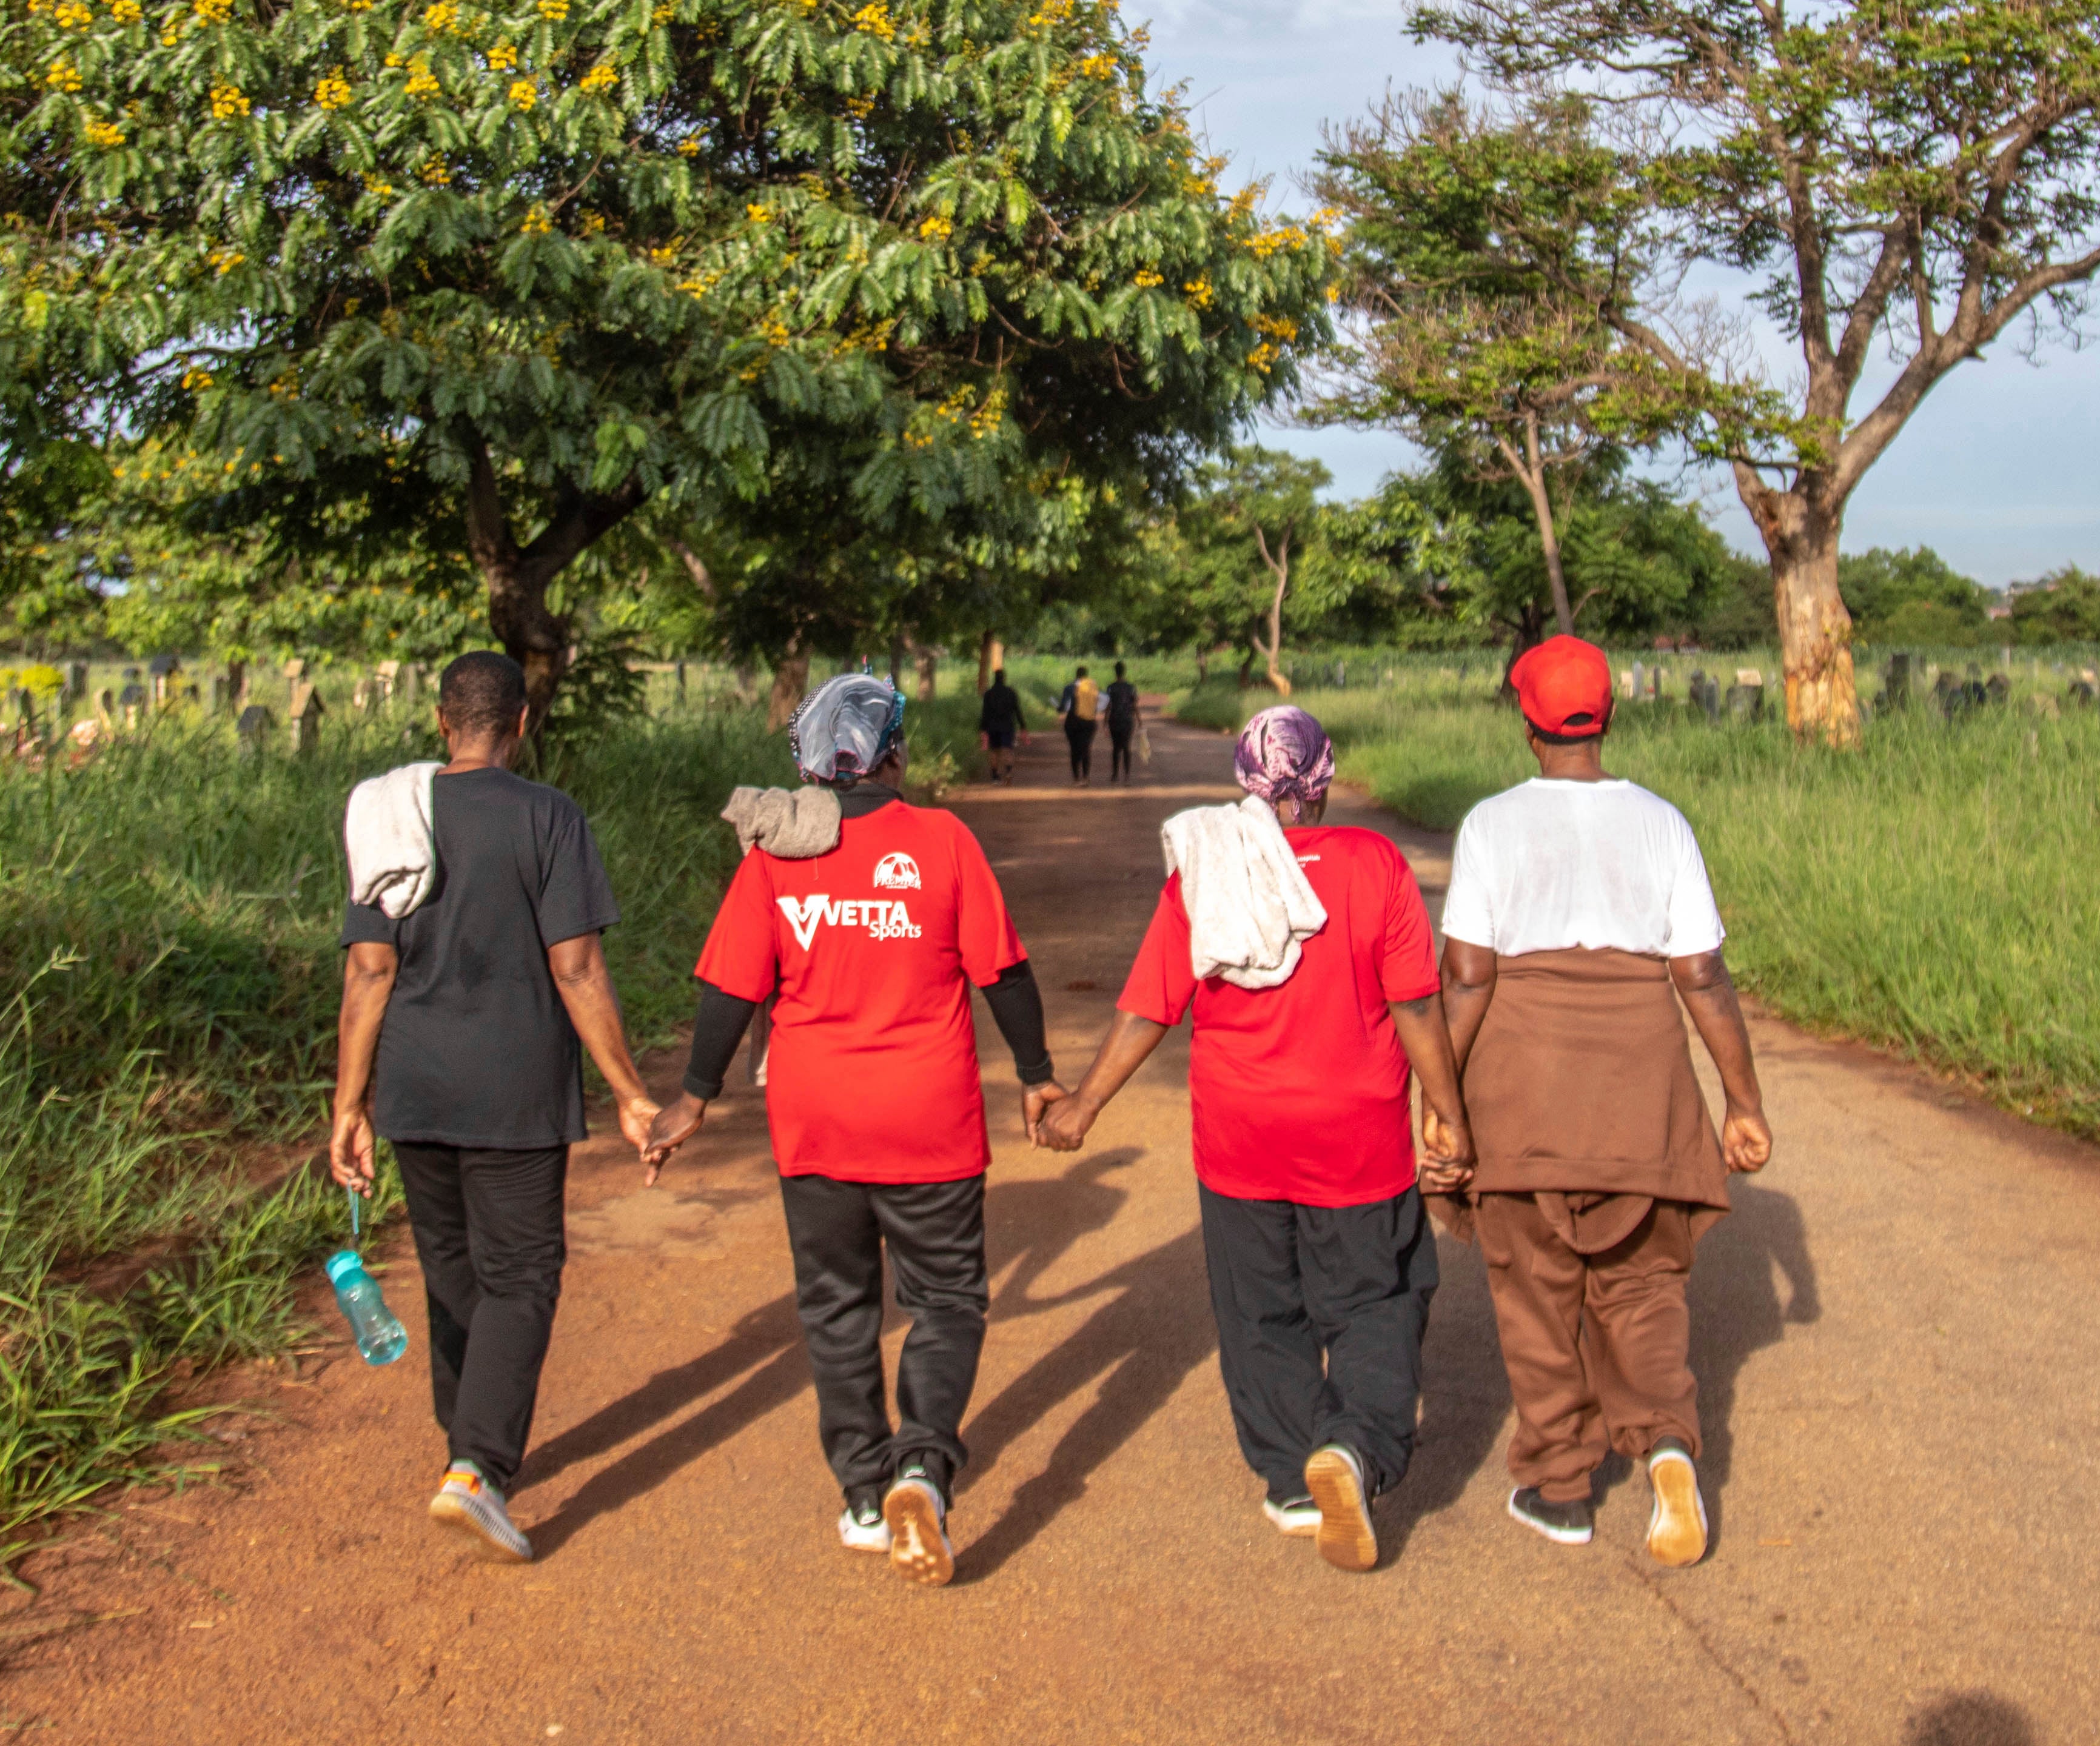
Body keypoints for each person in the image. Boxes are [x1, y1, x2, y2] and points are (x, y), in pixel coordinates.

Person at [642, 675, 1066, 1585]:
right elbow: (1006, 974)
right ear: (897, 755)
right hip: (929, 1123)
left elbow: (730, 989)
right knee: (947, 1301)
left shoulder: (778, 853)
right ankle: (923, 1462)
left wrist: (694, 1096)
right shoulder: (944, 841)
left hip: (816, 1124)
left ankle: (868, 1496)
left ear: (808, 758)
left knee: (837, 1309)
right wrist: (1038, 1077)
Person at [1035, 707, 1471, 1570]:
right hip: (1354, 1137)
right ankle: (1351, 1446)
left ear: (1245, 780)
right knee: (1380, 1296)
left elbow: (1150, 1004)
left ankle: (1288, 1477)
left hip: (1240, 1138)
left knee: (1259, 1305)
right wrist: (1448, 1111)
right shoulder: (1375, 865)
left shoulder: (1204, 870)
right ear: (1325, 778)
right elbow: (1417, 1005)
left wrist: (1084, 1103)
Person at [1439, 634, 1773, 1568]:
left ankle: (1559, 1489)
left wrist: (1441, 1102)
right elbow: (1701, 973)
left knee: (1536, 1292)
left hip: (1524, 1089)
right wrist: (1740, 1101)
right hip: (1643, 1086)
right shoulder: (1662, 822)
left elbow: (1466, 979)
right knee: (1643, 1284)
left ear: (1527, 723)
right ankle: (1667, 1443)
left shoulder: (1492, 825)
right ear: (1608, 718)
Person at [327, 650, 657, 1565]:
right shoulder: (549, 816)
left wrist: (348, 1103)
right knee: (521, 1274)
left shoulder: (387, 815)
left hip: (415, 1086)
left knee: (454, 1272)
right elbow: (578, 967)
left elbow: (368, 969)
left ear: (442, 721)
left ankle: (459, 1441)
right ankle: (477, 1467)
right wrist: (631, 1092)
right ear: (522, 723)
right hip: (513, 1087)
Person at [977, 664, 1024, 784]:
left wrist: (982, 728)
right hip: (1007, 726)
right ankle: (1008, 773)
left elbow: (985, 713)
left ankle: (995, 777)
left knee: (994, 751)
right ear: (1004, 678)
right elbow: (1017, 710)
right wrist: (1023, 725)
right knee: (1007, 750)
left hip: (992, 727)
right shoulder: (1010, 693)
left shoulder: (988, 694)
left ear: (995, 678)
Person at [1056, 665, 1098, 784]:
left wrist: (1059, 709)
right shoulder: (1093, 687)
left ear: (1076, 675)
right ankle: (1086, 777)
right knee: (1086, 749)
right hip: (1089, 722)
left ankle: (1076, 778)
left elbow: (1064, 707)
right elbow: (1097, 704)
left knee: (1074, 749)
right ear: (1086, 675)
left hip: (1073, 722)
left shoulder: (1070, 688)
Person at [1102, 666, 1139, 776]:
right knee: (1127, 746)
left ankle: (1115, 773)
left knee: (1116, 747)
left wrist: (1105, 722)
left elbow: (1108, 706)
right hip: (1128, 720)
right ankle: (1127, 774)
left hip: (1114, 720)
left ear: (1115, 673)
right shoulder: (1131, 687)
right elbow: (1135, 705)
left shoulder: (1111, 688)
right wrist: (1139, 720)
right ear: (1124, 672)